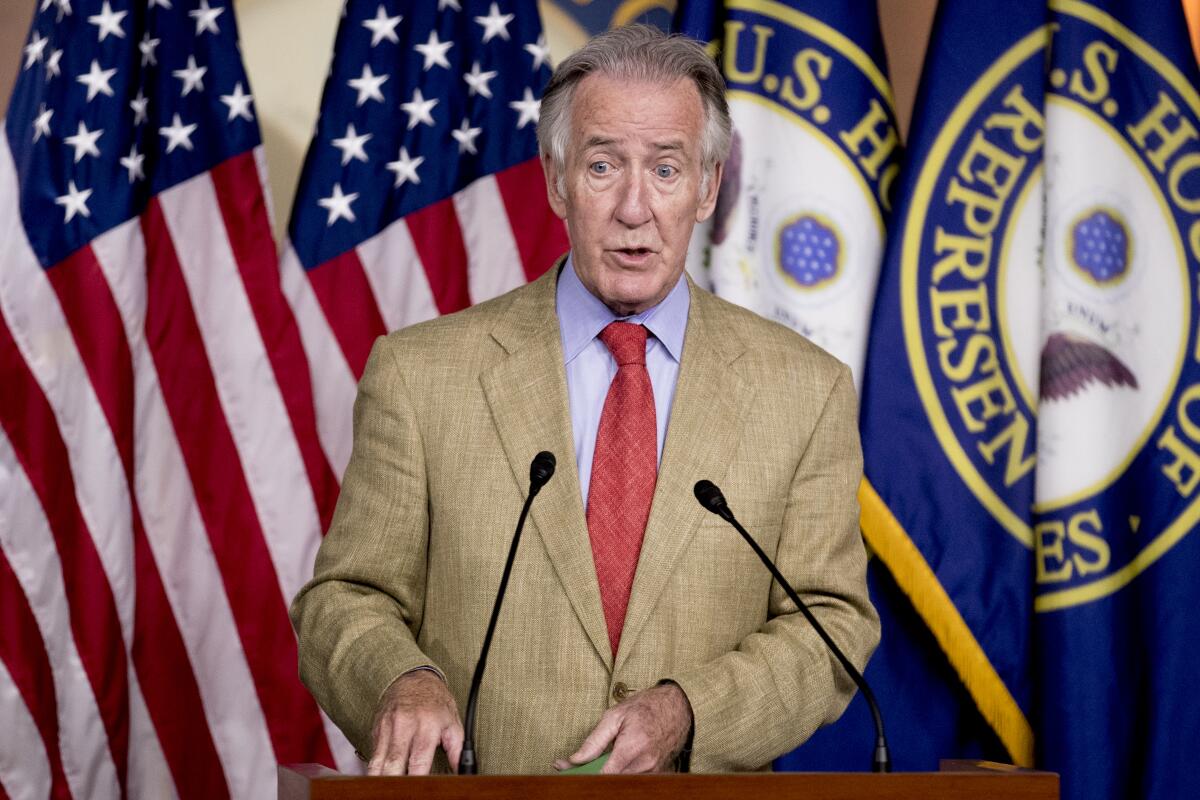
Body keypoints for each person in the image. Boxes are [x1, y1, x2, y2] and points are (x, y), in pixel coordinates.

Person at [290, 24, 879, 776]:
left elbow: (828, 623)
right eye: (604, 166)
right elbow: (344, 599)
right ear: (555, 178)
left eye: (666, 170)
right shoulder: (420, 376)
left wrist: (689, 712)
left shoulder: (806, 392)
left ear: (707, 188)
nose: (635, 208)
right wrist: (400, 680)